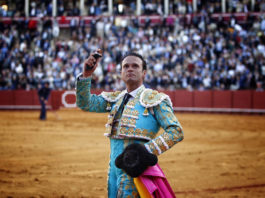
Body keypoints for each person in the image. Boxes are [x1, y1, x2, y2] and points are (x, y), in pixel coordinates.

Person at [76, 49, 184, 197]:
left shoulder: (155, 99)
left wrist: (145, 152)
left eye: (135, 66)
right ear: (121, 72)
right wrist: (87, 75)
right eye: (126, 66)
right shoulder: (116, 98)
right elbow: (86, 103)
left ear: (144, 72)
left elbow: (176, 131)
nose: (130, 69)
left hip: (136, 168)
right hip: (113, 168)